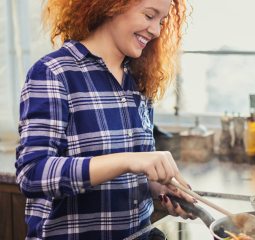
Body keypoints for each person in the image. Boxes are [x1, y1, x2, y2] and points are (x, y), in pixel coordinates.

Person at [15, 0, 195, 239]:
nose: (157, 30)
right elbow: (32, 174)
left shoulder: (139, 81)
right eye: (149, 16)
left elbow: (136, 174)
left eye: (162, 21)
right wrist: (127, 160)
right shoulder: (54, 73)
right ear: (111, 6)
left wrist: (161, 188)